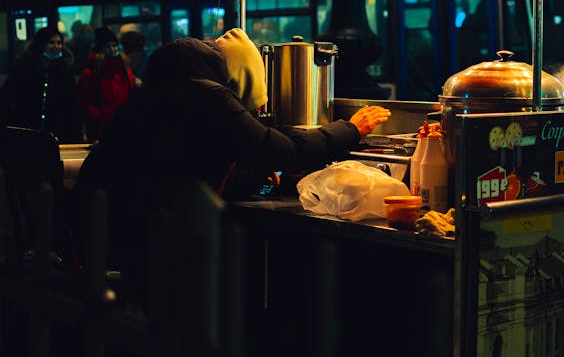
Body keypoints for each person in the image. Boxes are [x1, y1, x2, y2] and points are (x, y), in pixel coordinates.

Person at [76, 28, 390, 300]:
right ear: (240, 80)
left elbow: (183, 164)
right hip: (150, 238)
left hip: (105, 225)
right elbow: (285, 150)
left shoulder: (161, 87)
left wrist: (257, 178)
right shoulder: (209, 96)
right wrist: (350, 129)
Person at [0, 26, 82, 143]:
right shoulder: (26, 67)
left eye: (59, 43)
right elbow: (8, 94)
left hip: (59, 128)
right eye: (51, 42)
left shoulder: (65, 69)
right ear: (42, 44)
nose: (56, 46)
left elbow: (71, 102)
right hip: (29, 126)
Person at [76, 27, 136, 142]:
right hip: (100, 124)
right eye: (108, 46)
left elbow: (130, 92)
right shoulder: (92, 72)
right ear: (101, 49)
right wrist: (98, 114)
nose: (113, 49)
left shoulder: (124, 68)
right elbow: (83, 100)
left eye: (114, 46)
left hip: (122, 121)